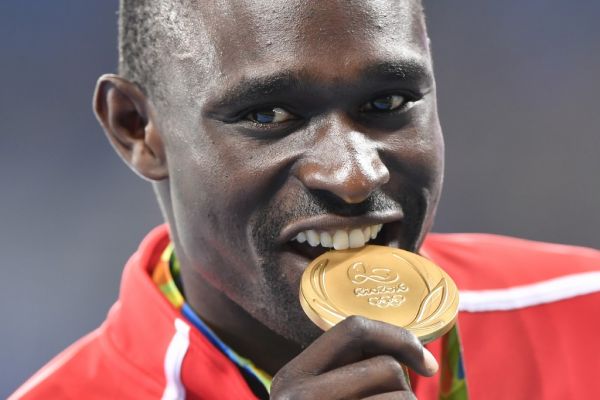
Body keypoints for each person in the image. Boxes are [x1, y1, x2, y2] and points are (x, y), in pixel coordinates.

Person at [11, 1, 600, 399]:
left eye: (389, 102)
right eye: (268, 115)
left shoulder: (588, 314)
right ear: (136, 127)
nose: (354, 176)